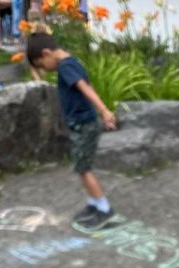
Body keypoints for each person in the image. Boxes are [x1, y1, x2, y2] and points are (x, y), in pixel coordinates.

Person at [26, 33, 119, 228]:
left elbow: (84, 87)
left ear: (46, 53)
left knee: (84, 168)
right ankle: (94, 203)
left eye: (42, 64)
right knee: (80, 165)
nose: (45, 69)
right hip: (82, 123)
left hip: (84, 124)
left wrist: (104, 111)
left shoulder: (65, 67)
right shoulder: (71, 62)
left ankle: (104, 209)